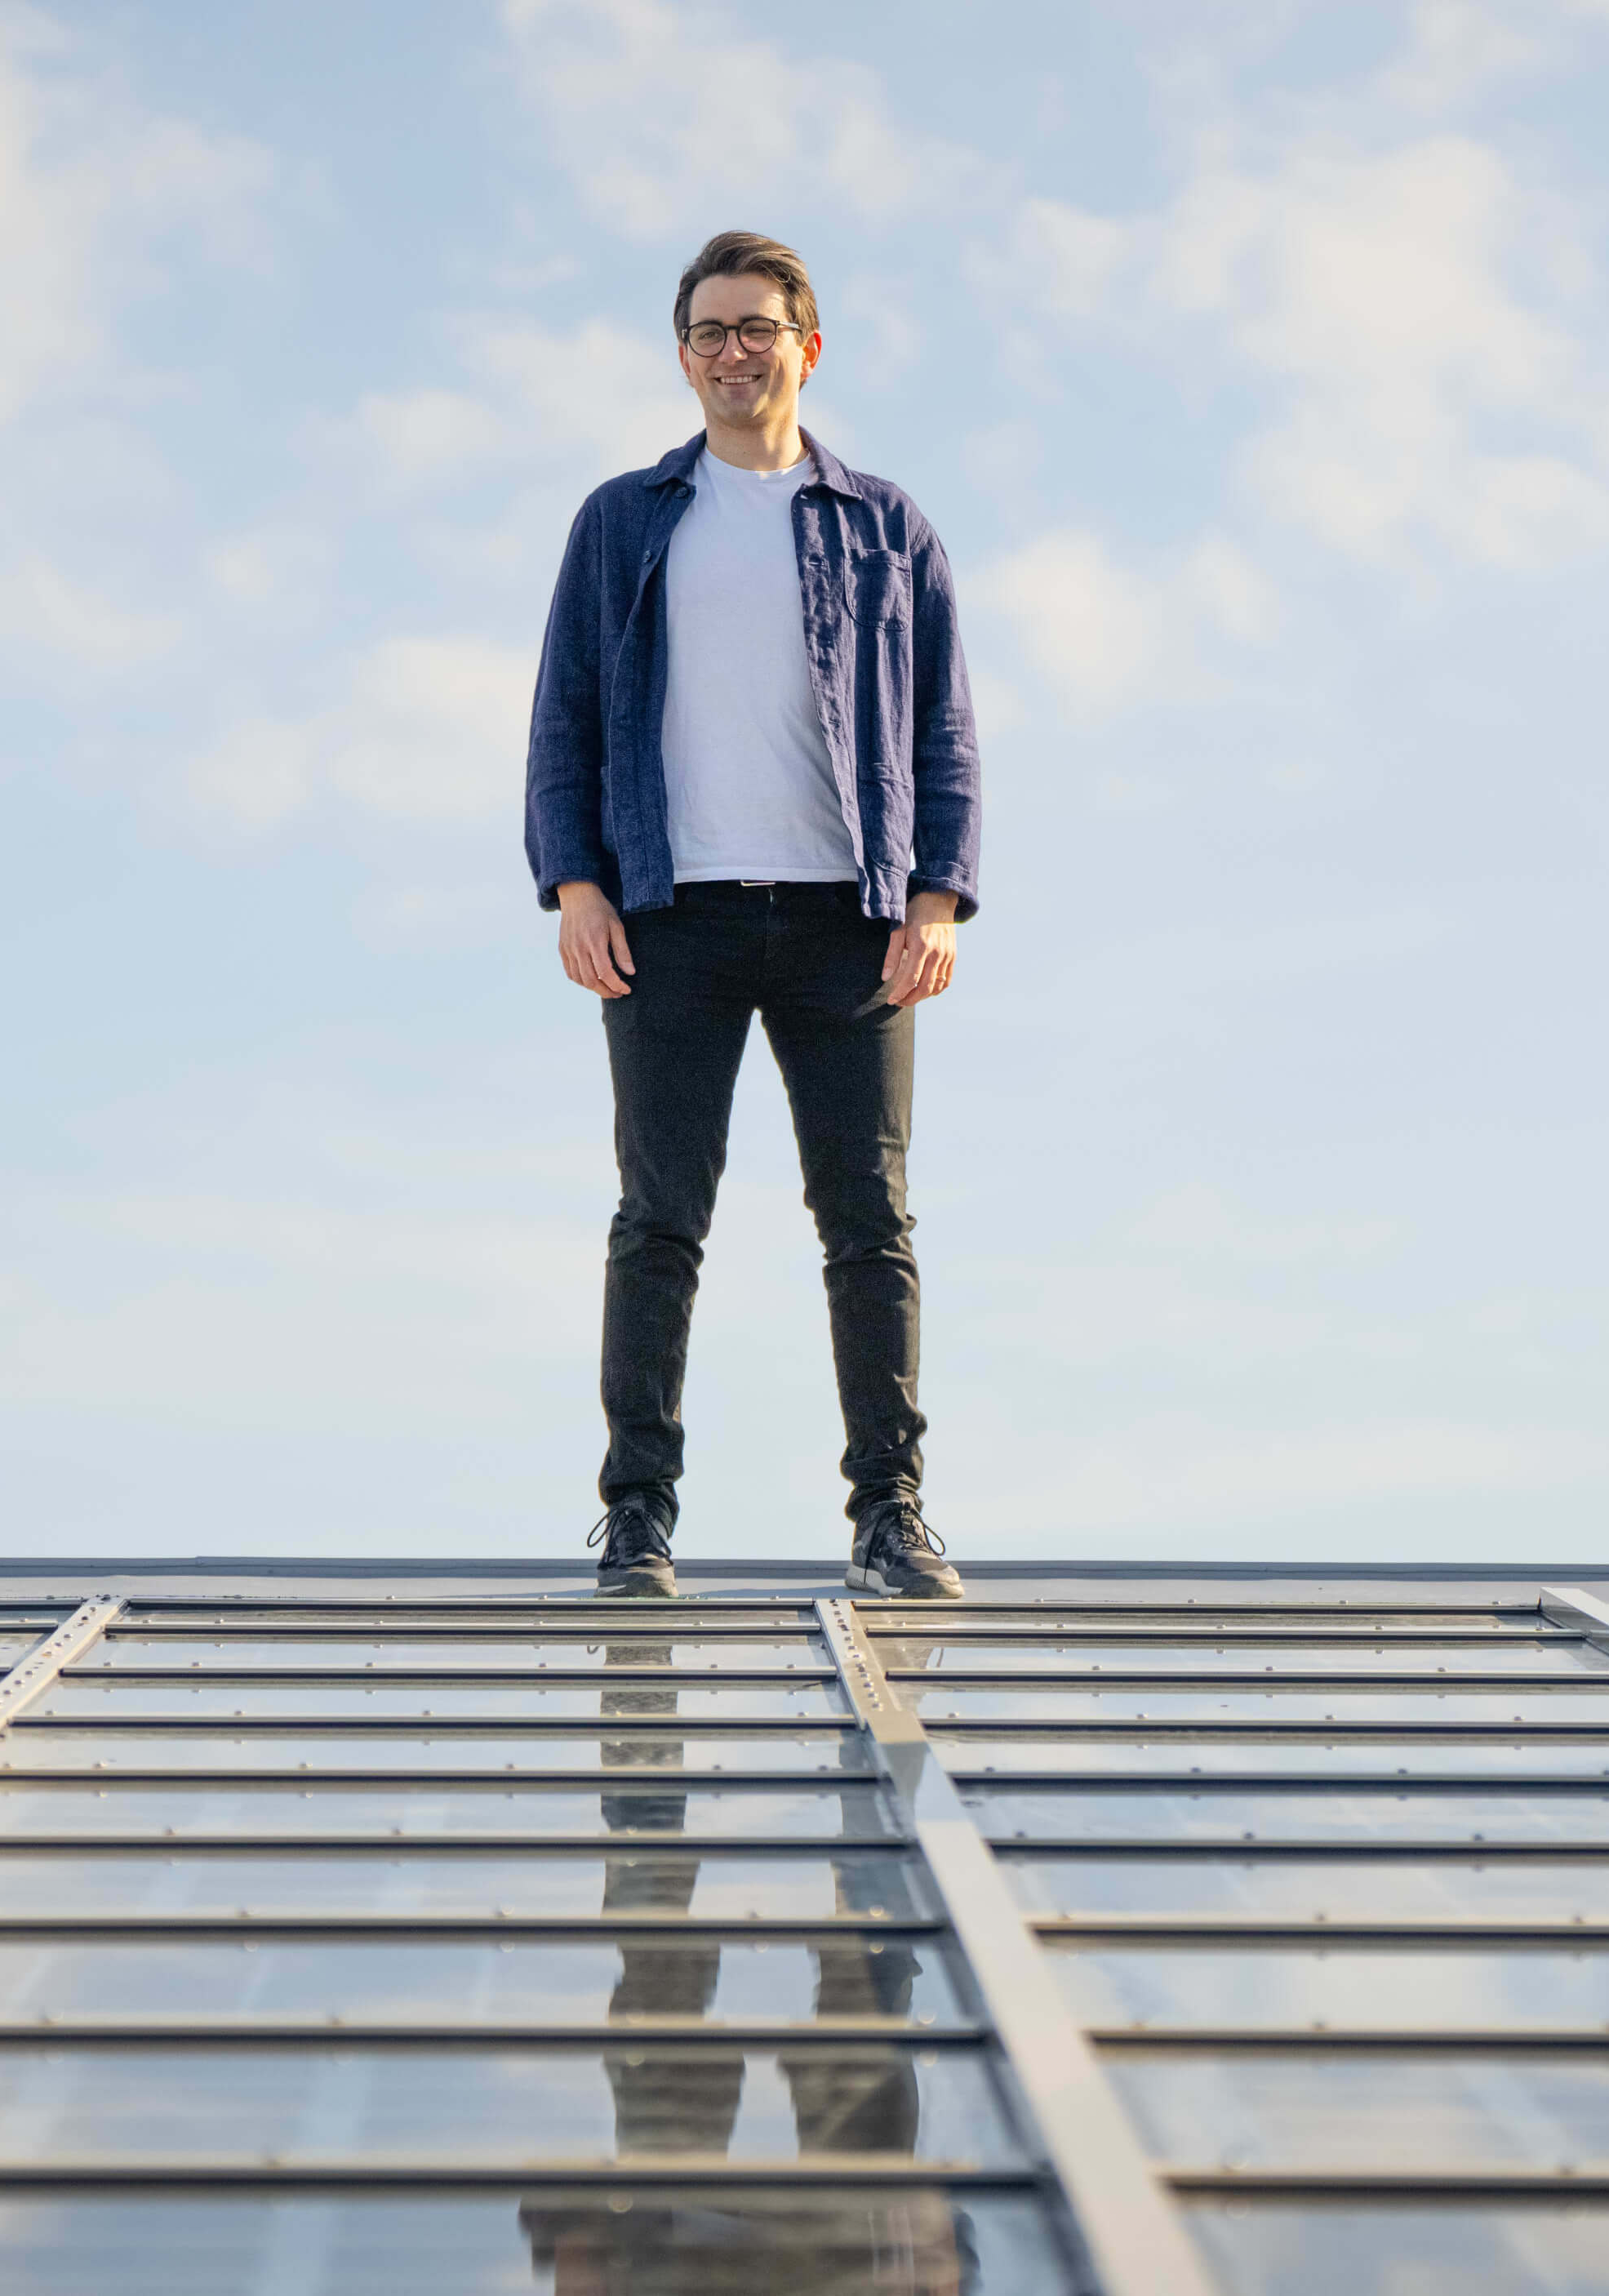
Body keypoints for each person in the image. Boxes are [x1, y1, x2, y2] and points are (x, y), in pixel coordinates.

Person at [523, 229, 981, 1603]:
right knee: (660, 1217)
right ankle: (640, 1517)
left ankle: (891, 1513)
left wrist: (940, 896)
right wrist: (578, 883)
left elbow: (943, 724)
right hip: (673, 918)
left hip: (852, 918)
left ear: (807, 348)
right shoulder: (623, 520)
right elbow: (564, 716)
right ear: (684, 357)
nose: (735, 351)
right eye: (710, 331)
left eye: (757, 329)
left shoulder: (885, 525)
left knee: (868, 1220)